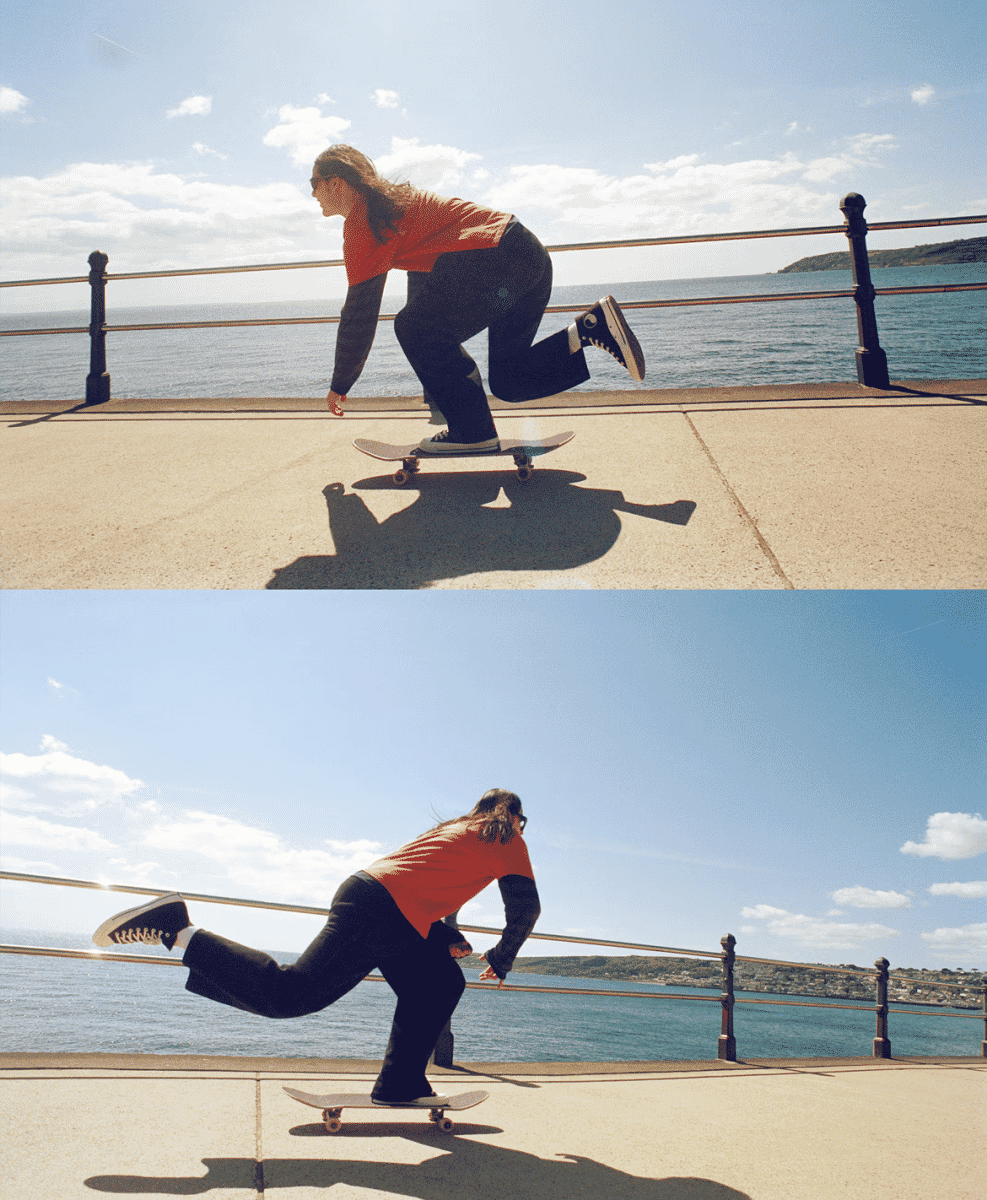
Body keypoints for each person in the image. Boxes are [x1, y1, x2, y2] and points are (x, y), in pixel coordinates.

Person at [92, 788, 540, 1106]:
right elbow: (526, 909)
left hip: (376, 899)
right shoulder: (506, 835)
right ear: (513, 816)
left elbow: (418, 885)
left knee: (440, 982)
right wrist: (501, 957)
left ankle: (401, 1083)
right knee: (289, 995)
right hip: (382, 911)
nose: (522, 830)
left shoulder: (458, 831)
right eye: (523, 822)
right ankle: (178, 930)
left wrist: (444, 935)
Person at [312, 145, 646, 452]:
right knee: (509, 380)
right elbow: (424, 281)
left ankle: (473, 432)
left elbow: (359, 314)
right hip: (526, 255)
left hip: (500, 259)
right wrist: (437, 391)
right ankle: (590, 328)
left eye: (314, 183)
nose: (312, 193)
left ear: (335, 182)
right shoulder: (391, 207)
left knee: (411, 327)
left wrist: (340, 383)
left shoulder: (363, 223)